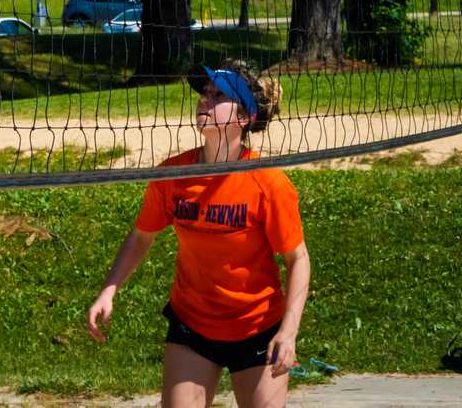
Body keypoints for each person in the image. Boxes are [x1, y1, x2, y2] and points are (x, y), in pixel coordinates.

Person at [85, 60, 310, 408]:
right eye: (205, 92)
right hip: (193, 324)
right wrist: (108, 289)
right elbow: (141, 237)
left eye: (218, 95)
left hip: (257, 327)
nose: (205, 99)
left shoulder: (268, 182)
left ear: (243, 117)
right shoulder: (173, 174)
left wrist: (288, 332)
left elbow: (298, 259)